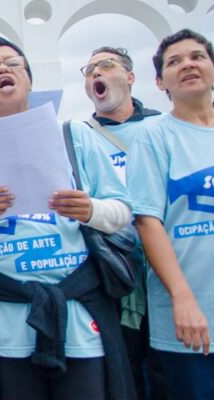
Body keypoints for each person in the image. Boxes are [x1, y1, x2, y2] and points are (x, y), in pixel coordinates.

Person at [0, 36, 134, 400]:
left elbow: (121, 211)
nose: (3, 69)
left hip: (77, 314)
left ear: (29, 79)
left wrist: (90, 210)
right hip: (8, 320)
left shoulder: (74, 135)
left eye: (13, 63)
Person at [127, 28, 214, 400]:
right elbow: (148, 221)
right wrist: (183, 298)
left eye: (197, 57)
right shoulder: (153, 135)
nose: (188, 65)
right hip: (190, 319)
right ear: (160, 82)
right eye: (175, 62)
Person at [81, 46, 169, 400]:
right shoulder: (80, 137)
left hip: (166, 268)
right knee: (124, 371)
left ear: (130, 77)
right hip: (115, 272)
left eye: (106, 65)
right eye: (89, 70)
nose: (96, 73)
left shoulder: (161, 127)